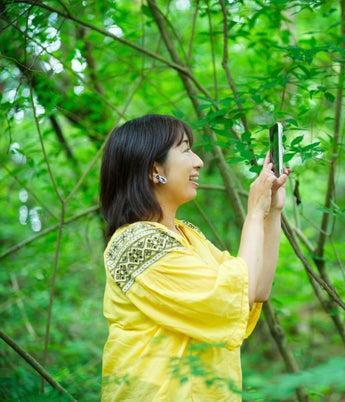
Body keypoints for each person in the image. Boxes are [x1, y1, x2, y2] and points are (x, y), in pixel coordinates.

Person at [99, 114, 290, 401]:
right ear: (155, 169)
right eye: (186, 150)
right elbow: (231, 297)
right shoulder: (136, 243)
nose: (198, 161)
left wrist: (271, 210)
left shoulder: (187, 236)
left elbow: (256, 289)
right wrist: (253, 212)